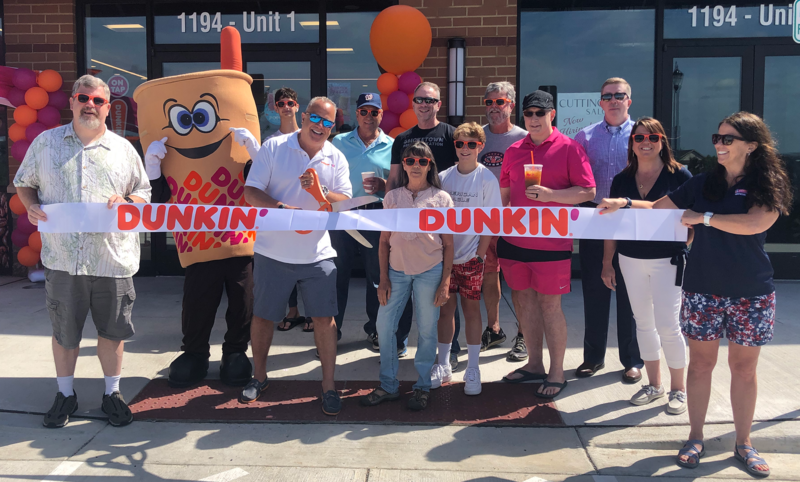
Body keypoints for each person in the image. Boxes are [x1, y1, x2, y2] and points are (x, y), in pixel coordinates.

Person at [598, 112, 792, 477]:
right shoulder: (704, 182)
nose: (720, 144)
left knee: (744, 370)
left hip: (751, 291)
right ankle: (695, 437)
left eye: (728, 139)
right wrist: (625, 203)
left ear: (752, 145)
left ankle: (744, 443)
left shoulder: (767, 182)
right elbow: (660, 209)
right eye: (717, 138)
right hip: (702, 287)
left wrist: (702, 218)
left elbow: (755, 223)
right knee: (701, 366)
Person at [14, 75, 151, 428]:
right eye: (84, 98)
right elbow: (24, 183)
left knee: (113, 332)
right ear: (73, 102)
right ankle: (65, 394)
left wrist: (129, 201)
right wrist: (30, 205)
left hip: (112, 258)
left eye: (98, 100)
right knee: (65, 333)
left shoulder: (123, 149)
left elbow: (144, 192)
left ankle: (112, 393)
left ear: (107, 107)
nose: (90, 105)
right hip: (64, 260)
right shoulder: (45, 144)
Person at [243, 97, 352, 415]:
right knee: (264, 316)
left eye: (328, 123)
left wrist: (320, 191)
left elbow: (344, 203)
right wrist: (280, 208)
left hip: (317, 254)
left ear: (333, 127)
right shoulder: (274, 147)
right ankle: (259, 377)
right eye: (316, 118)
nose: (320, 126)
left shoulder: (335, 156)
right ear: (304, 117)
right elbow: (251, 191)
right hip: (272, 251)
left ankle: (328, 386)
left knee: (324, 320)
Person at [498, 90, 596, 399]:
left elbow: (588, 191)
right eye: (529, 113)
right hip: (514, 241)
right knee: (524, 302)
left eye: (540, 113)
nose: (534, 118)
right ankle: (534, 364)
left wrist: (552, 195)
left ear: (552, 114)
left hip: (552, 244)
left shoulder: (569, 148)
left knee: (550, 306)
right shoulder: (513, 150)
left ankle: (556, 372)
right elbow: (503, 197)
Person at [601, 117, 691, 414]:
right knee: (643, 323)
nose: (645, 142)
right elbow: (611, 225)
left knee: (669, 325)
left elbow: (694, 214)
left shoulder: (679, 175)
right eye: (639, 138)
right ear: (632, 143)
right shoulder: (622, 178)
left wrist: (688, 240)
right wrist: (607, 262)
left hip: (668, 260)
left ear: (662, 141)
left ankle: (679, 389)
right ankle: (654, 385)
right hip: (630, 259)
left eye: (652, 137)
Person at [361, 141, 454, 411]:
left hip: (429, 271)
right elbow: (383, 241)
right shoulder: (392, 197)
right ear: (403, 164)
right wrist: (384, 278)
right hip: (396, 272)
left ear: (429, 165)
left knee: (426, 330)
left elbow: (449, 244)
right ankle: (388, 385)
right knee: (384, 326)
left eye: (422, 161)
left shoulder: (442, 198)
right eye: (410, 160)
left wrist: (445, 281)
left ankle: (422, 386)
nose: (416, 165)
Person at [330, 93, 413, 355]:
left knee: (377, 276)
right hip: (342, 214)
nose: (369, 116)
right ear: (356, 114)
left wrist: (383, 185)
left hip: (376, 213)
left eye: (374, 112)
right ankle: (331, 331)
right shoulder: (338, 142)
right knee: (336, 274)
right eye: (364, 111)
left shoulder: (392, 144)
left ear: (381, 115)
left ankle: (376, 329)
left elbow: (402, 183)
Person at [387, 81, 462, 368]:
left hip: (441, 218)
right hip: (407, 220)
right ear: (413, 103)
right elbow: (394, 180)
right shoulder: (402, 139)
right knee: (404, 287)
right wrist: (389, 214)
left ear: (438, 105)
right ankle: (400, 341)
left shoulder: (451, 134)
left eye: (430, 100)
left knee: (441, 292)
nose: (424, 104)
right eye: (419, 99)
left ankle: (450, 347)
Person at [574, 78, 643, 383]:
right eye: (608, 96)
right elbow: (576, 178)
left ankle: (632, 359)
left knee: (631, 293)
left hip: (632, 219)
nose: (614, 100)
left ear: (629, 100)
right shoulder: (585, 136)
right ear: (600, 102)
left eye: (620, 95)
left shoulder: (642, 134)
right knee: (594, 289)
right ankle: (593, 357)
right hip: (595, 218)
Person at [434, 122, 502, 395]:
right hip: (445, 258)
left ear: (480, 147)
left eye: (471, 144)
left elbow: (492, 221)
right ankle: (443, 363)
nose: (465, 148)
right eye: (460, 143)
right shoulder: (443, 177)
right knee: (445, 310)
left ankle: (473, 368)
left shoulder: (487, 179)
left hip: (472, 257)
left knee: (472, 311)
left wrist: (480, 255)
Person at [480, 81, 528, 358]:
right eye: (489, 102)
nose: (494, 107)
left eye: (500, 102)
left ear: (511, 105)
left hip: (514, 220)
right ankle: (494, 328)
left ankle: (523, 334)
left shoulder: (524, 138)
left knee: (518, 279)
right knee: (489, 274)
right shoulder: (477, 136)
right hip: (484, 219)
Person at [265, 87, 308, 332]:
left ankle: (312, 312)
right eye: (281, 104)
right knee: (287, 261)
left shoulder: (309, 137)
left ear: (297, 106)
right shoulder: (270, 142)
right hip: (282, 211)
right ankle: (293, 311)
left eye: (290, 103)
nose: (286, 107)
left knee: (311, 262)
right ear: (276, 108)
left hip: (310, 208)